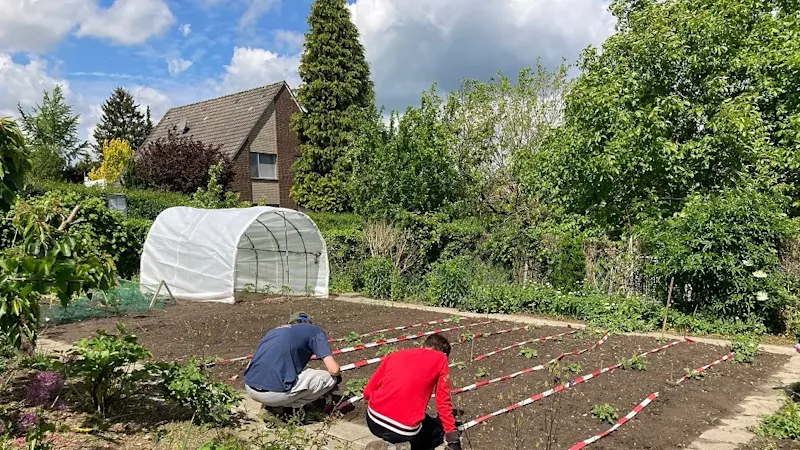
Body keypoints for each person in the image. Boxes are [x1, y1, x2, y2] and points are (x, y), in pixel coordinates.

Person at [363, 334, 462, 450]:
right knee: (437, 432)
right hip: (402, 429)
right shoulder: (441, 359)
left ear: (424, 346)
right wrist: (452, 436)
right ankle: (400, 446)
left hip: (373, 420)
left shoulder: (396, 354)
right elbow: (443, 402)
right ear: (444, 354)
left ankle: (389, 443)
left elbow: (367, 393)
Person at [243, 311, 341, 414]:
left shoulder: (273, 331)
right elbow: (334, 370)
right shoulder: (314, 331)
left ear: (289, 323)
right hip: (274, 395)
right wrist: (337, 377)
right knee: (330, 378)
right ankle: (286, 408)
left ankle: (273, 404)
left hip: (250, 387)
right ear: (309, 323)